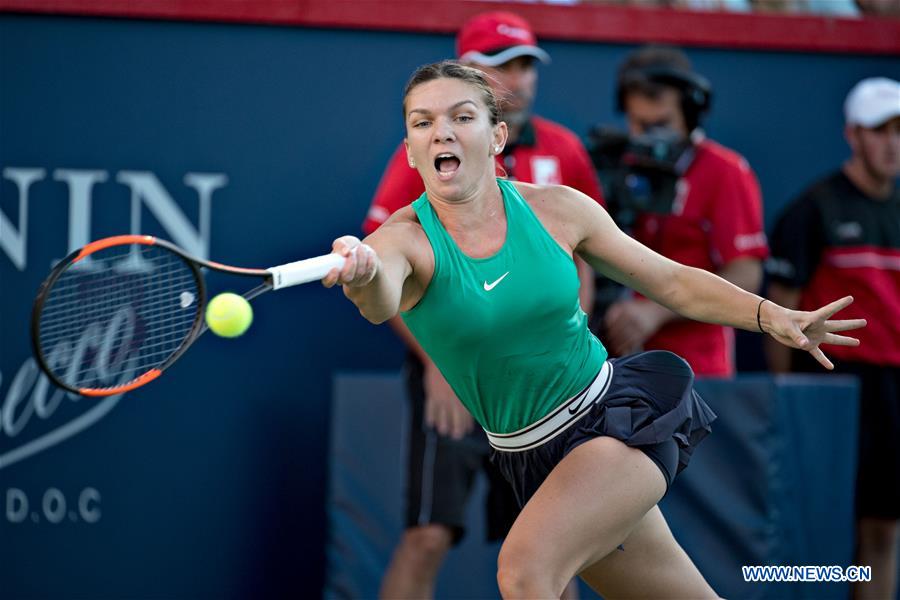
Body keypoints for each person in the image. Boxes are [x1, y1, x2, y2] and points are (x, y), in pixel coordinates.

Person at [325, 60, 865, 598]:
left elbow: (671, 282)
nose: (440, 130)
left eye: (461, 117)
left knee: (523, 570)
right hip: (525, 454)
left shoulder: (559, 208)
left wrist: (774, 316)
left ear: (497, 137)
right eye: (422, 123)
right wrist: (365, 271)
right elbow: (379, 302)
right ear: (411, 150)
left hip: (616, 422)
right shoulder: (403, 239)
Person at [363, 11, 603, 599]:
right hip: (454, 373)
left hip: (546, 387)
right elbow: (390, 264)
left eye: (525, 65)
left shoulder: (565, 150)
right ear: (468, 72)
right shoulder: (424, 154)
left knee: (556, 551)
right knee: (427, 535)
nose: (516, 80)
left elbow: (585, 257)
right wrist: (437, 366)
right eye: (500, 66)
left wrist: (567, 347)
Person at [766, 77, 900, 600]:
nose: (891, 143)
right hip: (831, 392)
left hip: (892, 393)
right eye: (879, 130)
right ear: (852, 135)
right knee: (818, 531)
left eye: (899, 130)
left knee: (884, 528)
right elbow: (782, 311)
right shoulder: (812, 210)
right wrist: (788, 398)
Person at [593, 46, 768, 377]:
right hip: (613, 365)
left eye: (661, 124)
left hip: (696, 370)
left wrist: (654, 312)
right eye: (639, 125)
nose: (649, 138)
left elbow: (746, 275)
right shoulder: (615, 165)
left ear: (689, 113)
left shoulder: (725, 170)